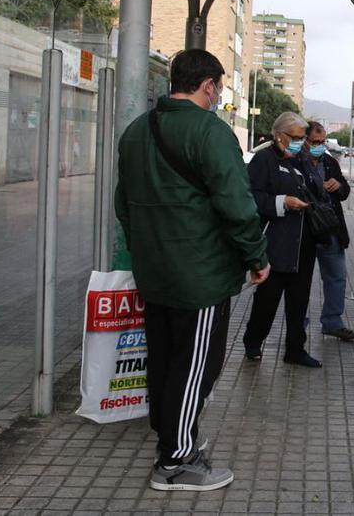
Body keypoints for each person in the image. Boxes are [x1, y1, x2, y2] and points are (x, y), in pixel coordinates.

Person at [115, 49, 270, 492]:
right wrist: (256, 257)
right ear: (208, 85)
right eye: (219, 87)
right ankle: (176, 461)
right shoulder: (212, 133)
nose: (219, 94)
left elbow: (123, 205)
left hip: (155, 272)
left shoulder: (135, 132)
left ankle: (172, 437)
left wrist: (146, 250)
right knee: (195, 366)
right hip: (199, 275)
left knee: (164, 361)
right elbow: (237, 208)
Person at [243, 112, 324, 368]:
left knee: (299, 302)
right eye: (297, 138)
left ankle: (295, 349)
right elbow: (251, 198)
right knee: (267, 300)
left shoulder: (302, 160)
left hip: (304, 244)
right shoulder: (263, 160)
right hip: (276, 244)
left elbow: (316, 190)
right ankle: (253, 342)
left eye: (304, 138)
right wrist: (283, 203)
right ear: (279, 135)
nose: (302, 143)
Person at [302, 121, 354, 341]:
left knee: (336, 277)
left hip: (330, 231)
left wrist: (339, 186)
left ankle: (332, 322)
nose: (319, 146)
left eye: (323, 141)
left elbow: (345, 190)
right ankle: (298, 324)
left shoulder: (329, 162)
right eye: (315, 142)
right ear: (304, 141)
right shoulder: (296, 161)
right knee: (301, 281)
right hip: (305, 231)